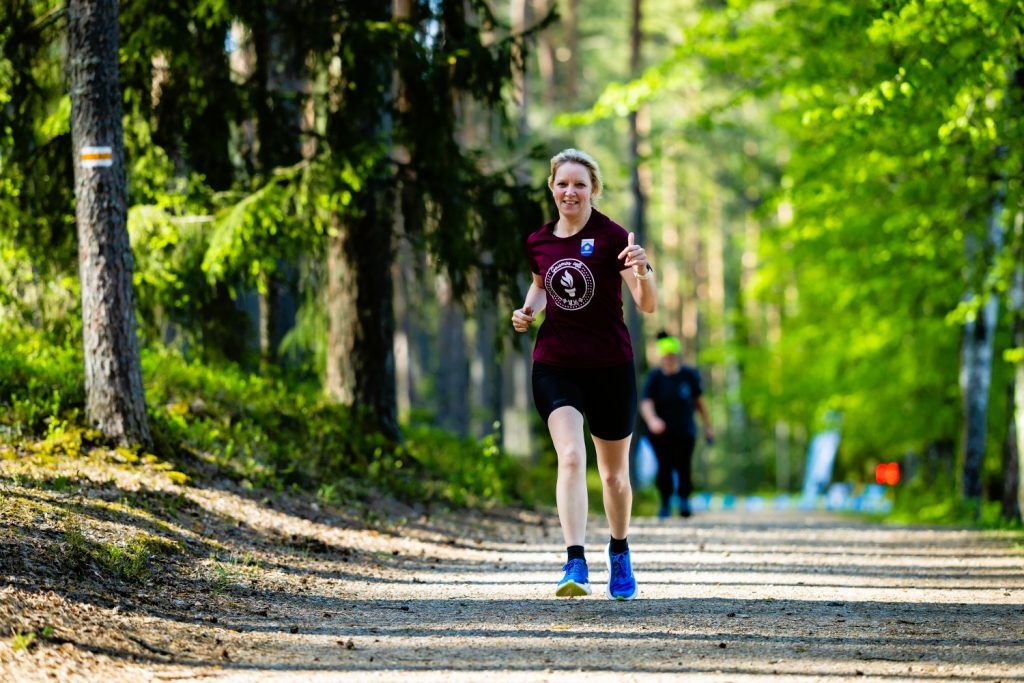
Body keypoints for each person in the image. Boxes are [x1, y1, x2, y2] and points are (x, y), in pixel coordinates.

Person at [511, 148, 656, 600]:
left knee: (614, 477)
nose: (570, 192)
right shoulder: (539, 240)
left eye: (579, 184)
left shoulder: (613, 236)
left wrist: (644, 270)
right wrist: (528, 311)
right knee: (571, 456)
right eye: (562, 184)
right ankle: (575, 560)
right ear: (552, 189)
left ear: (593, 190)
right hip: (556, 365)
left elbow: (646, 304)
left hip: (611, 367)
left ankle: (619, 550)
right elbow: (540, 283)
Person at [639, 332, 714, 519]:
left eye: (672, 355)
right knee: (664, 467)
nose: (669, 359)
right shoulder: (655, 377)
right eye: (665, 356)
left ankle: (684, 500)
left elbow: (700, 402)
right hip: (661, 434)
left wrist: (708, 426)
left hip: (685, 431)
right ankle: (665, 503)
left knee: (683, 466)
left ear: (677, 355)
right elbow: (646, 403)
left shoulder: (689, 375)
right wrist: (652, 420)